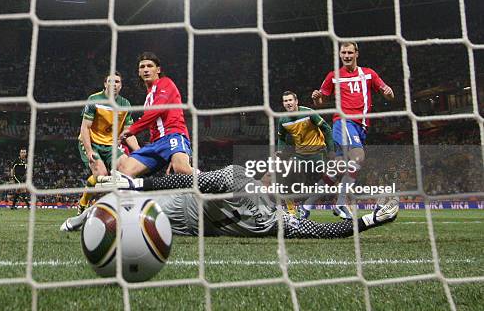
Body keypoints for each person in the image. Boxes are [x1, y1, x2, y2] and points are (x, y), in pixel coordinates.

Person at [61, 165, 399, 238]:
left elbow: (326, 232)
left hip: (194, 229)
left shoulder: (281, 220)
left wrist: (372, 220)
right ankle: (83, 217)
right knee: (119, 203)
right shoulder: (238, 179)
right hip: (182, 205)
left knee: (133, 226)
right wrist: (138, 182)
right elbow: (192, 180)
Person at [312, 42, 394, 219]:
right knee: (358, 156)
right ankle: (341, 203)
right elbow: (320, 102)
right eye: (343, 53)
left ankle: (306, 205)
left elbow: (389, 95)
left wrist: (388, 92)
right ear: (340, 54)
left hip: (361, 126)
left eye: (350, 52)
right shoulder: (333, 76)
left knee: (338, 168)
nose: (346, 55)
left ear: (357, 53)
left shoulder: (369, 73)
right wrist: (317, 98)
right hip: (343, 121)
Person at [116, 52, 192, 177]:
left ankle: (214, 184)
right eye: (142, 67)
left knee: (181, 169)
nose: (146, 69)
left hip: (173, 135)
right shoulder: (148, 97)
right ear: (139, 72)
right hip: (156, 143)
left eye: (149, 66)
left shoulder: (165, 83)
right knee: (125, 170)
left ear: (158, 69)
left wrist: (131, 129)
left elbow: (157, 110)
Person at [76, 72, 140, 213]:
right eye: (110, 81)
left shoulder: (125, 104)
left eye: (117, 82)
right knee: (102, 177)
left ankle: (123, 209)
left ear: (121, 85)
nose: (114, 84)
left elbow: (128, 133)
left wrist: (139, 151)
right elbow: (85, 128)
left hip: (111, 146)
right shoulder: (94, 100)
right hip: (92, 143)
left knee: (128, 170)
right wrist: (89, 151)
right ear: (105, 84)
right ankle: (83, 203)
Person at [276, 91, 334, 216]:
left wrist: (331, 151)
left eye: (290, 100)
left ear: (296, 101)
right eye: (285, 101)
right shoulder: (282, 120)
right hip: (300, 155)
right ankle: (291, 210)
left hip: (318, 152)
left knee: (332, 177)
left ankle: (342, 205)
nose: (288, 103)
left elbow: (327, 129)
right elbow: (281, 137)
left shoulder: (308, 113)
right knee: (284, 176)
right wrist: (281, 150)